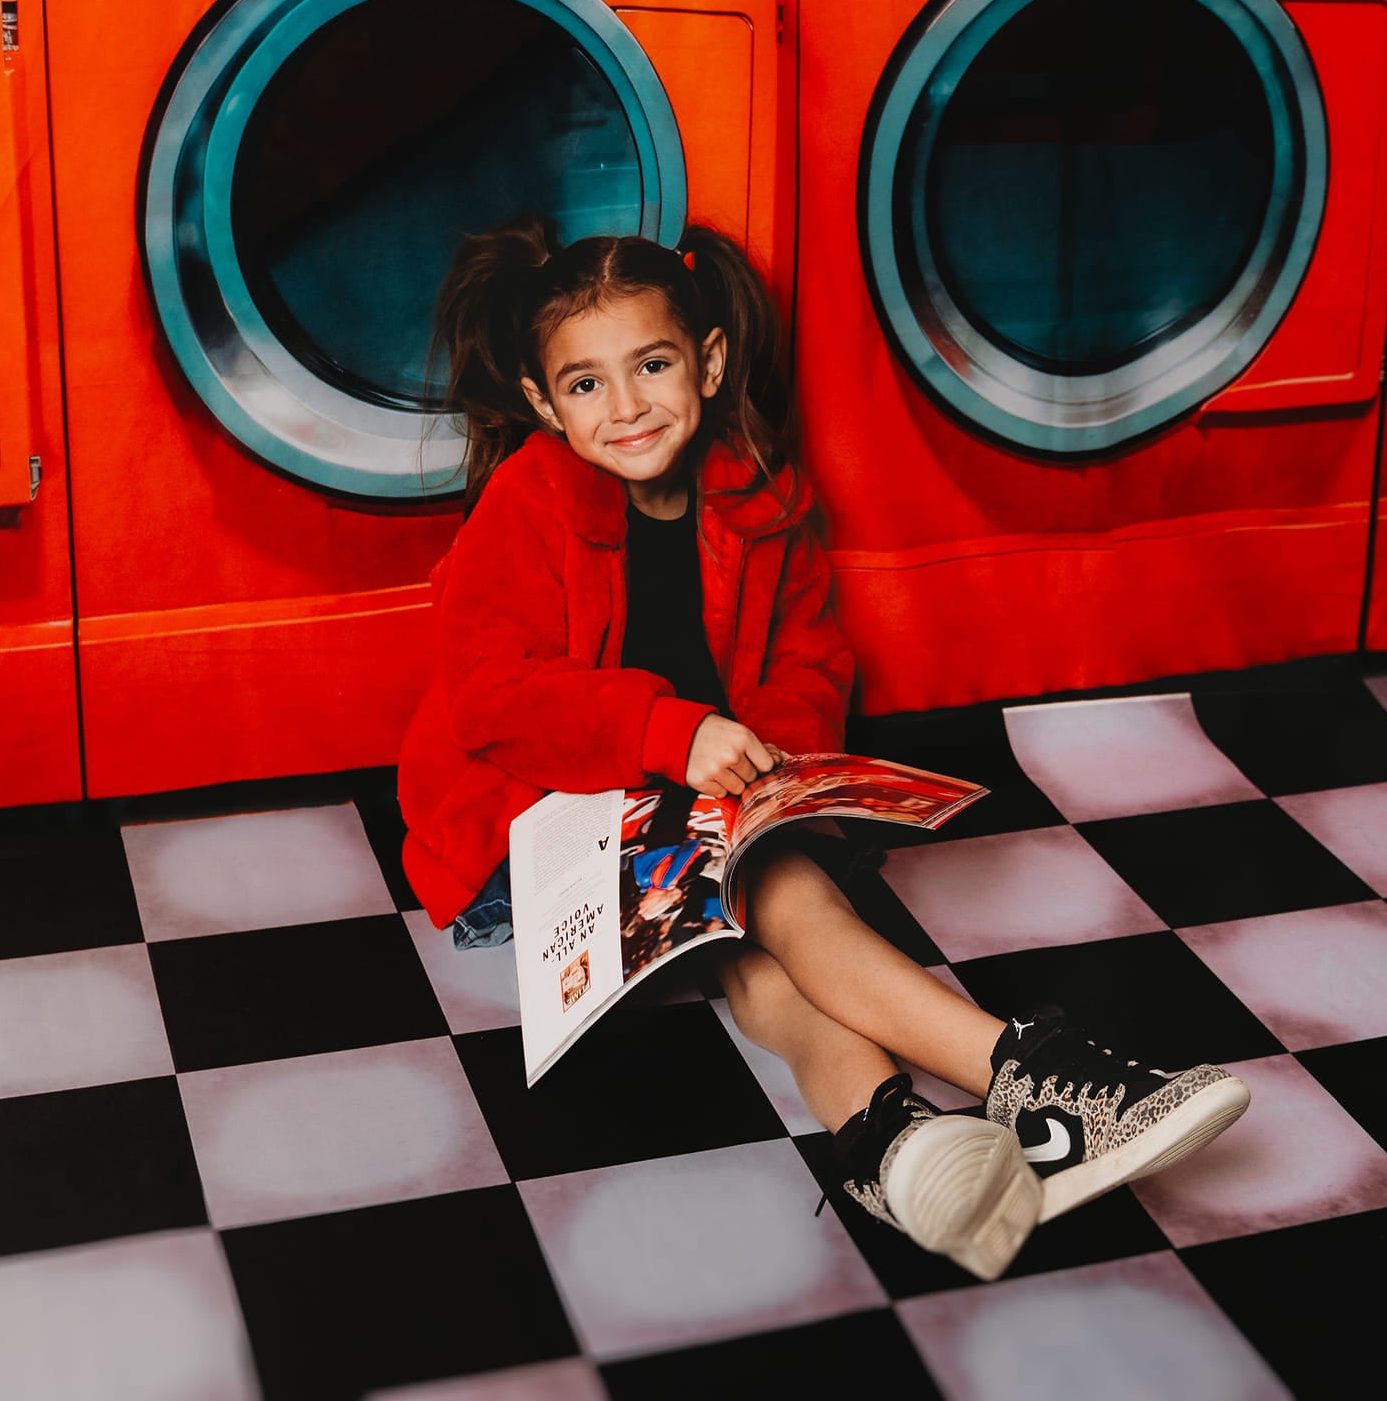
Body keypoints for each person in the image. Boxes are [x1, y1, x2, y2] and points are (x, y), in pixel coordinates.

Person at [396, 216, 1249, 1280]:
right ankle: (1032, 1075)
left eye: (652, 364)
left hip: (688, 814)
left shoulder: (758, 494)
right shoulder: (528, 504)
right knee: (784, 889)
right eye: (585, 383)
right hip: (528, 836)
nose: (624, 407)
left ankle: (890, 1148)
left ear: (706, 361)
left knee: (751, 935)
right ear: (541, 402)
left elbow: (810, 660)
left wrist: (781, 765)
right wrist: (674, 731)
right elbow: (492, 696)